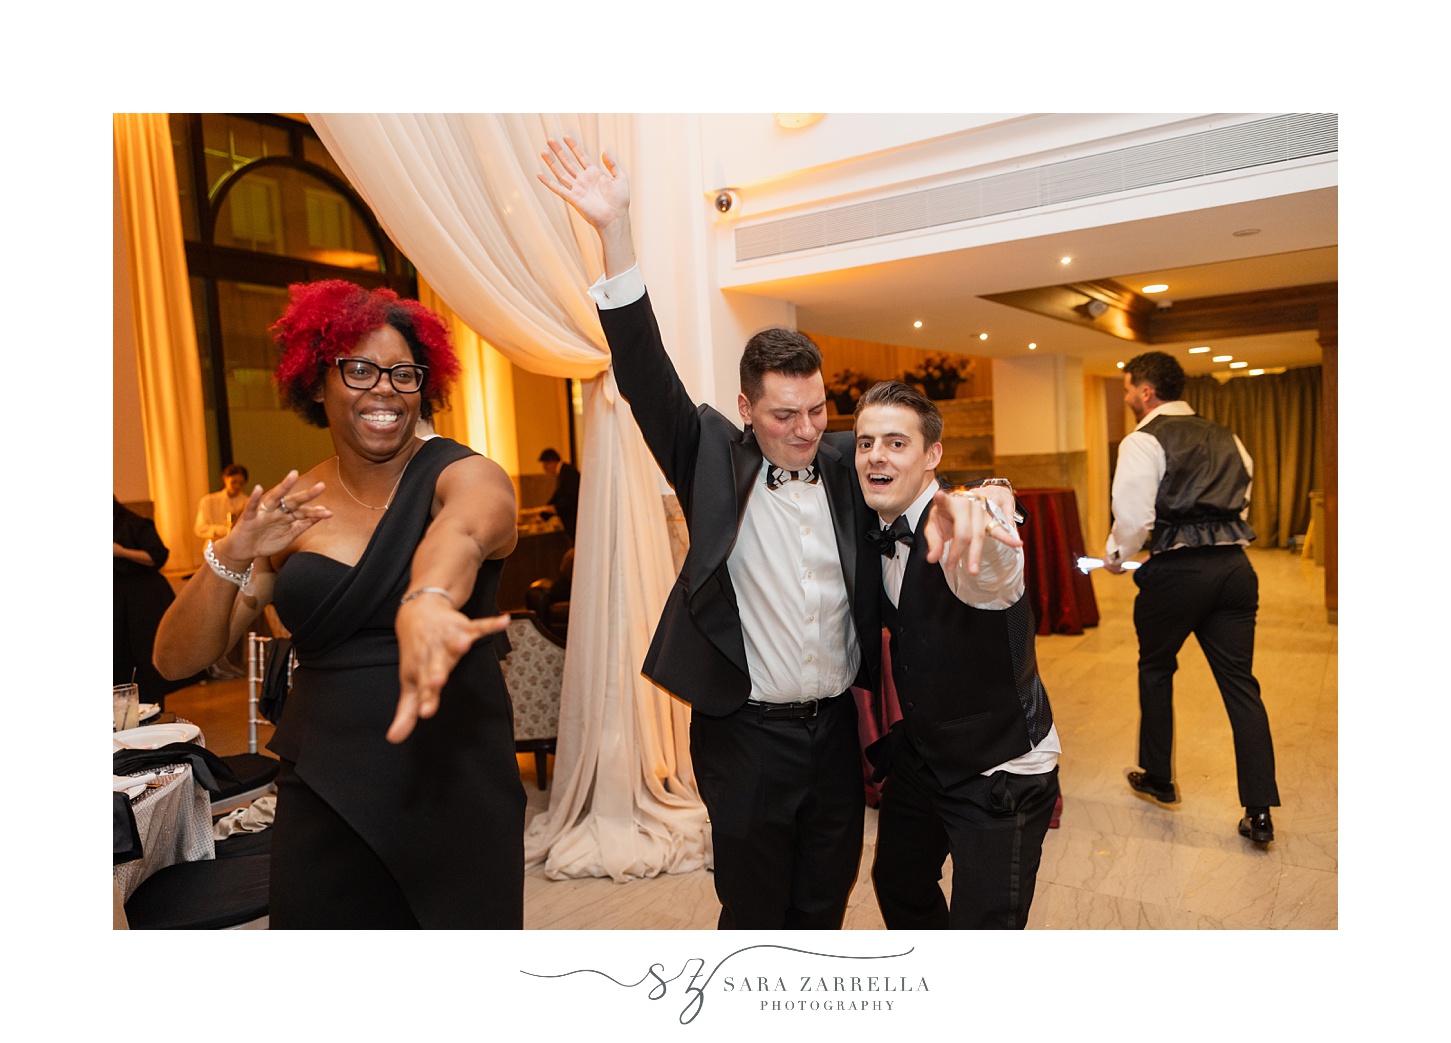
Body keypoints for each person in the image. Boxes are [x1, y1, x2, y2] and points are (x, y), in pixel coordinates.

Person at [537, 136, 1014, 929]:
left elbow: (924, 472)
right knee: (754, 911)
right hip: (740, 734)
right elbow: (643, 365)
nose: (805, 429)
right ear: (746, 405)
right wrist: (614, 229)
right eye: (783, 414)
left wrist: (980, 497)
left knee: (823, 904)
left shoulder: (844, 461)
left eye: (818, 409)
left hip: (834, 732)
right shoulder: (707, 457)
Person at [153, 279, 525, 927]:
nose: (384, 387)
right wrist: (237, 549)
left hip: (454, 778)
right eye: (359, 369)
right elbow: (175, 657)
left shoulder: (464, 473)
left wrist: (429, 597)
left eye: (403, 373)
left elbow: (464, 530)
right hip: (325, 782)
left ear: (424, 386)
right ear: (315, 381)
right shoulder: (289, 509)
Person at [854, 382, 1059, 929]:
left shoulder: (961, 526)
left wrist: (986, 518)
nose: (876, 454)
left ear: (932, 455)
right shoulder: (875, 524)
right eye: (865, 442)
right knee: (898, 880)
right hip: (925, 756)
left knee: (985, 929)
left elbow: (993, 576)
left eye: (897, 443)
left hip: (1000, 768)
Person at [1105, 350, 1279, 844]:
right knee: (1241, 686)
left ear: (1145, 392)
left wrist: (1117, 555)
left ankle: (1159, 777)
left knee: (1156, 668)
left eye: (1126, 391)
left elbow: (1134, 517)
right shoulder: (1228, 435)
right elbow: (1240, 499)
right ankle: (1260, 810)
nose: (1127, 400)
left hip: (1177, 574)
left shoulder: (1142, 441)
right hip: (1235, 570)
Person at [114, 497, 199, 706]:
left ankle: (152, 710)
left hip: (144, 598)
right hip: (117, 597)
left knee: (146, 657)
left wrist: (121, 552)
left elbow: (158, 556)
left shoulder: (135, 524)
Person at [194, 463, 251, 542]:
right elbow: (200, 528)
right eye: (234, 482)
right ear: (225, 479)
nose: (237, 486)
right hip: (215, 548)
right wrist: (224, 530)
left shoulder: (248, 502)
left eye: (241, 483)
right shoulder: (209, 501)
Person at [537, 448, 580, 538]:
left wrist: (554, 508)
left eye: (545, 466)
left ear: (551, 462)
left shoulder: (568, 473)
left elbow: (571, 496)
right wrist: (543, 514)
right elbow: (557, 495)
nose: (546, 470)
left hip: (574, 519)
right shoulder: (564, 472)